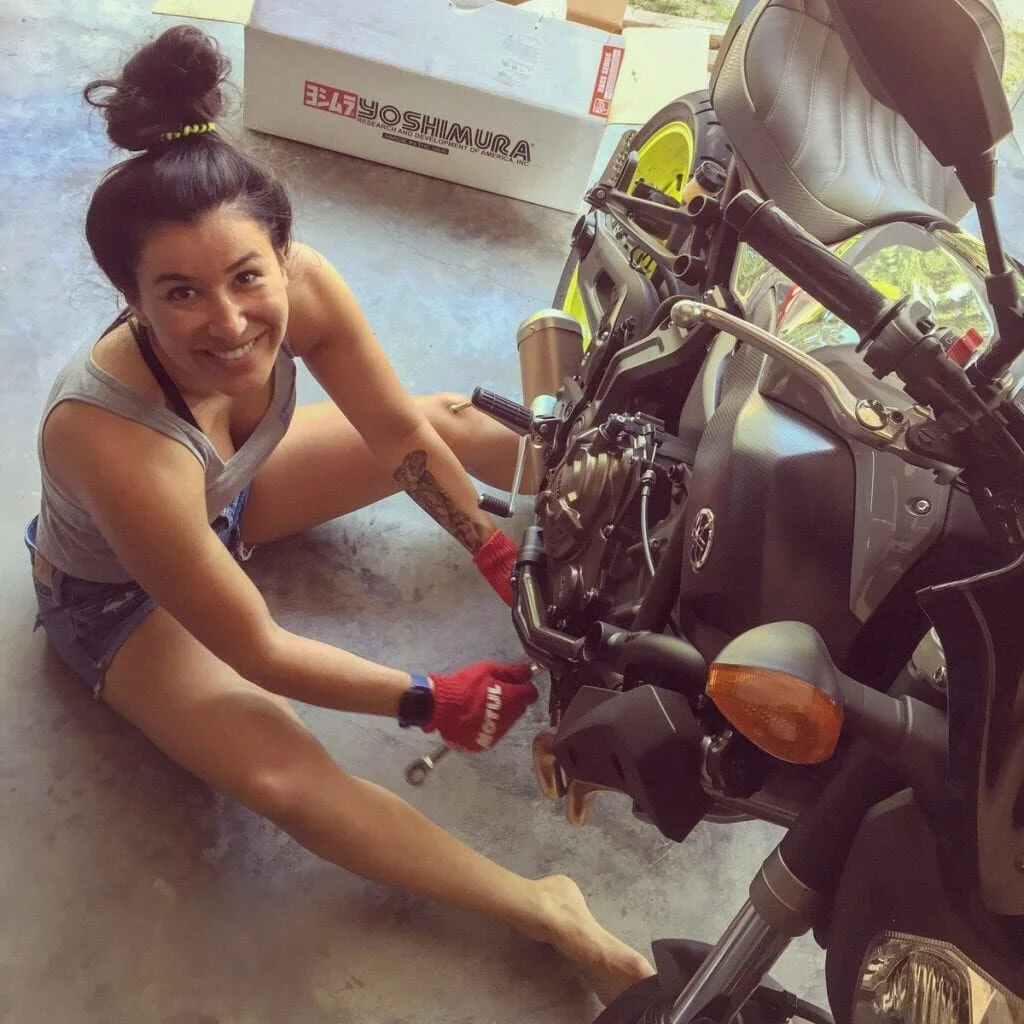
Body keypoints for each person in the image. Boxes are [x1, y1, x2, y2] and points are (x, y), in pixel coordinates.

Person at [25, 23, 654, 1006]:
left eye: (246, 277)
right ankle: (545, 906)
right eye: (179, 293)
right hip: (121, 599)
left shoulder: (306, 286)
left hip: (236, 497)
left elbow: (402, 438)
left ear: (282, 253)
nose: (229, 324)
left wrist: (490, 544)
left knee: (455, 420)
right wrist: (427, 698)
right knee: (281, 777)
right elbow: (260, 651)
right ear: (131, 299)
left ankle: (676, 508)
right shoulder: (112, 440)